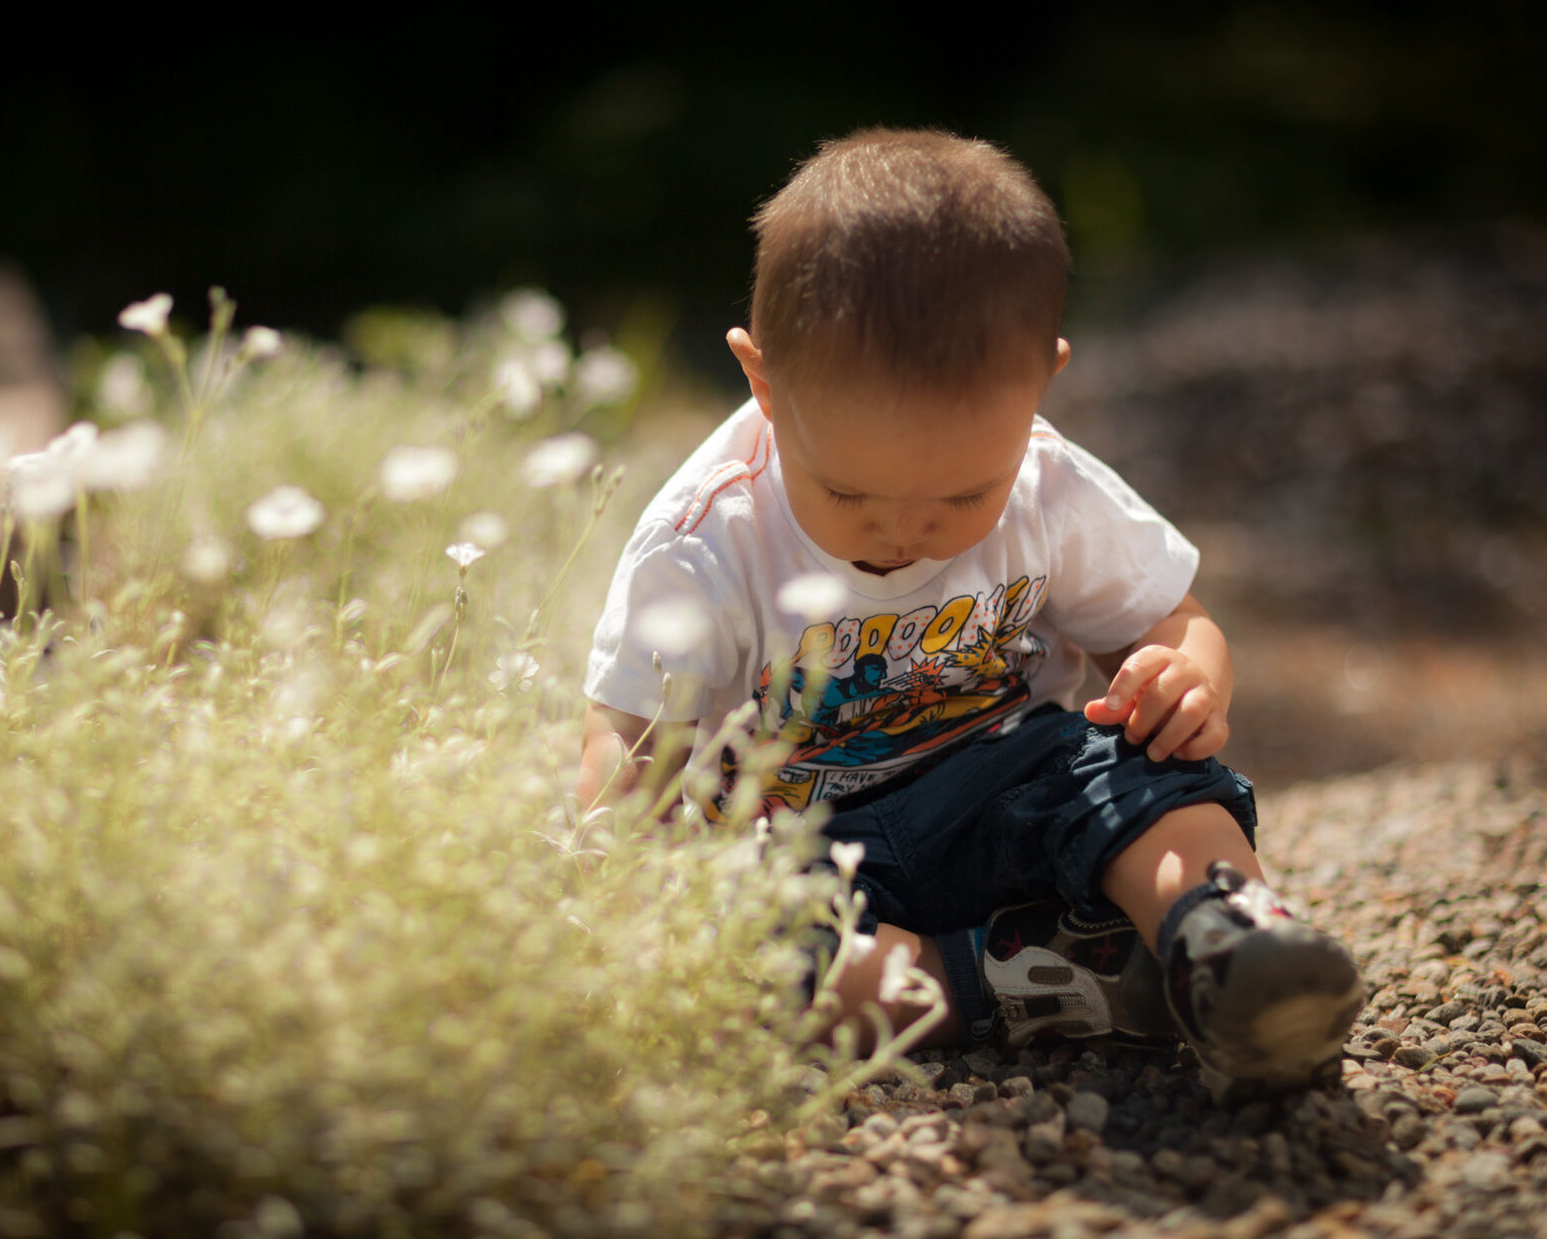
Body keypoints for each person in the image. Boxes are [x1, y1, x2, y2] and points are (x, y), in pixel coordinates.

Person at [575, 128, 1362, 1100]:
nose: (906, 532)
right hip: (802, 849)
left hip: (1009, 796)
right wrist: (629, 865)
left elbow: (1171, 617)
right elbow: (631, 740)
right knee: (728, 946)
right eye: (851, 493)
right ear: (763, 381)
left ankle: (1226, 937)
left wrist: (1185, 673)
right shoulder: (706, 540)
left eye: (961, 497)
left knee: (1142, 770)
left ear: (1042, 384)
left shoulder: (1049, 485)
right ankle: (1022, 980)